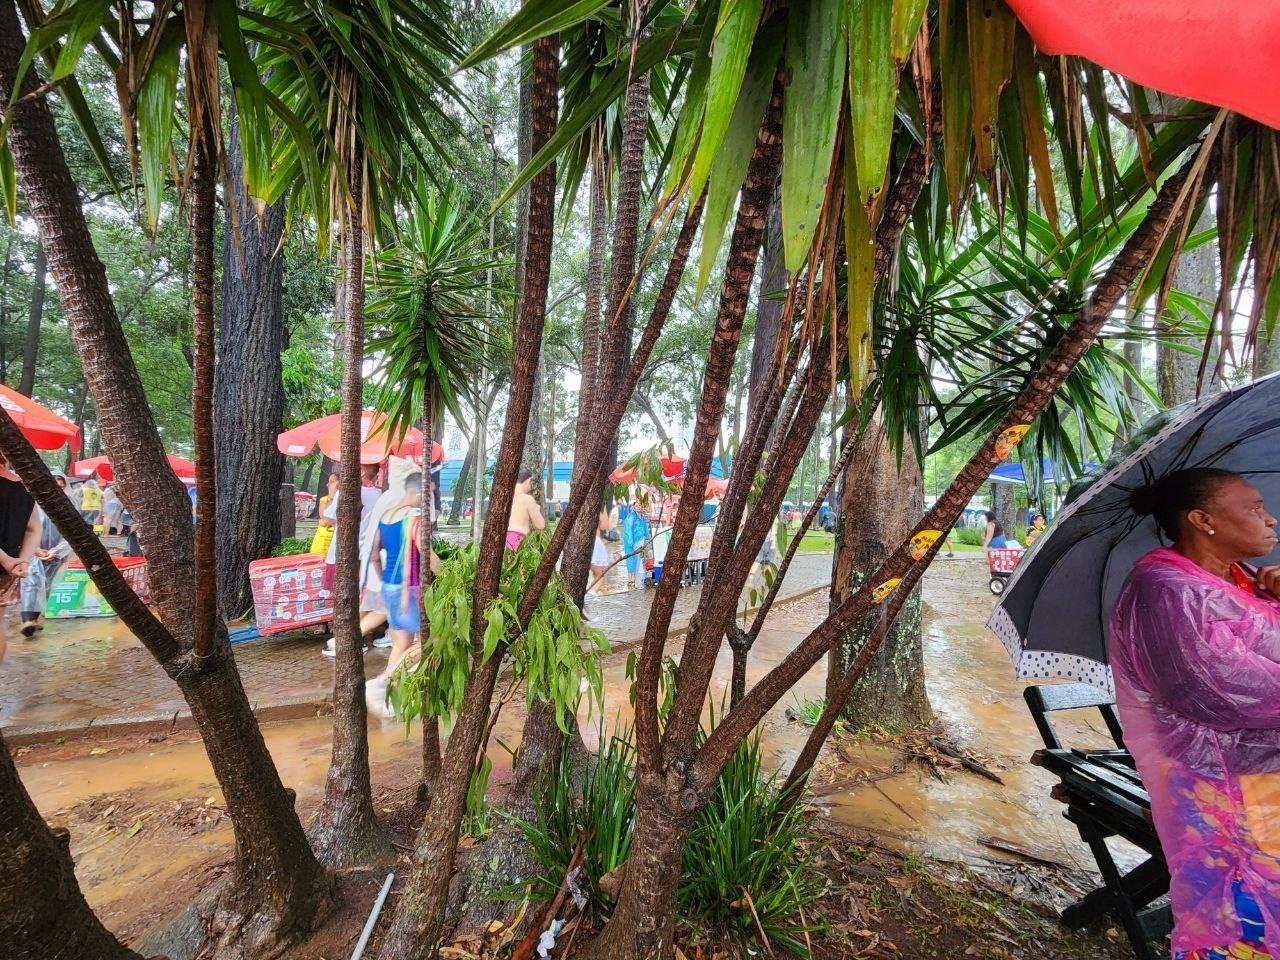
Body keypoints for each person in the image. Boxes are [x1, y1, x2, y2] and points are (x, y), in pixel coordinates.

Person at [1110, 468, 1280, 960]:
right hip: (1223, 791)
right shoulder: (1164, 589)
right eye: (1252, 508)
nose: (1270, 519)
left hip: (1264, 782)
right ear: (1203, 519)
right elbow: (1217, 691)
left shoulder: (1246, 583)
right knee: (1240, 925)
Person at [364, 472, 432, 718]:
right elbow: (428, 556)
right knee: (429, 643)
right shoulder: (413, 519)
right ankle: (380, 681)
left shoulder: (387, 515)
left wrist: (383, 578)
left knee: (401, 644)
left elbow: (374, 555)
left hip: (390, 588)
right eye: (429, 493)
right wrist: (450, 574)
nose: (429, 498)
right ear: (418, 492)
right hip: (409, 589)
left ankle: (387, 699)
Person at [20, 474, 71, 637]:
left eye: (61, 485)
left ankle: (34, 620)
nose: (57, 488)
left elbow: (72, 533)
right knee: (31, 582)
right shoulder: (31, 503)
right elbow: (24, 528)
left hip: (56, 554)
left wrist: (55, 551)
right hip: (33, 551)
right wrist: (34, 549)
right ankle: (27, 620)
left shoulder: (69, 505)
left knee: (47, 585)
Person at [0, 459, 40, 664]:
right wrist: (22, 560)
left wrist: (7, 560)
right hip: (6, 574)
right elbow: (34, 529)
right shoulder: (22, 486)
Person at [505, 467, 545, 550]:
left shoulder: (504, 497)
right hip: (519, 540)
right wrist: (537, 510)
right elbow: (540, 525)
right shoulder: (527, 499)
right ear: (528, 481)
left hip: (504, 540)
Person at [310, 472, 339, 556]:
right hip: (322, 542)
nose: (328, 484)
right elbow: (326, 519)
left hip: (335, 542)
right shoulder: (324, 500)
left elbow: (325, 521)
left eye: (332, 481)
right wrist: (332, 497)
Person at [589, 506, 613, 591]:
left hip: (590, 541)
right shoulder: (601, 505)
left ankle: (595, 590)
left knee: (596, 574)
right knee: (600, 574)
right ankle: (591, 594)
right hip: (595, 542)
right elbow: (604, 525)